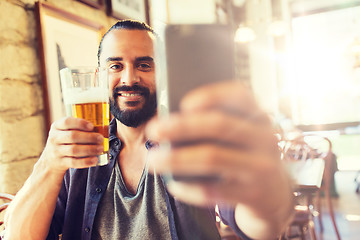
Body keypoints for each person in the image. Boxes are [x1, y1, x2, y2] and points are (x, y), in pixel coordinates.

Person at [3, 20, 294, 240]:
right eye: (115, 66)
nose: (129, 78)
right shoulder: (76, 153)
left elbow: (259, 226)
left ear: (163, 74)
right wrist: (48, 165)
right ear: (100, 75)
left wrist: (265, 195)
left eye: (144, 64)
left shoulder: (192, 140)